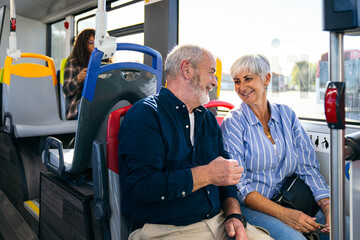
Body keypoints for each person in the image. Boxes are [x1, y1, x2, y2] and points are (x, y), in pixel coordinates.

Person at [118, 45, 273, 240]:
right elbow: (141, 186)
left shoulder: (207, 119)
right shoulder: (146, 115)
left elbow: (226, 182)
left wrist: (234, 215)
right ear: (186, 69)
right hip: (166, 229)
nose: (214, 82)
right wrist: (207, 174)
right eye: (211, 73)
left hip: (219, 223)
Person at [221, 54, 348, 240]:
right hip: (253, 207)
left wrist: (327, 206)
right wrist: (284, 215)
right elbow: (240, 187)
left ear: (266, 79)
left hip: (291, 199)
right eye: (237, 81)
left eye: (248, 79)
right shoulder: (233, 123)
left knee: (344, 226)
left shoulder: (287, 115)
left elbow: (308, 168)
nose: (241, 87)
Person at [63, 28, 95, 120]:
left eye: (97, 42)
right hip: (79, 105)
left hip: (99, 101)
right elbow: (66, 91)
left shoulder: (104, 64)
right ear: (83, 44)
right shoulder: (73, 63)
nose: (95, 46)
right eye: (90, 42)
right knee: (88, 105)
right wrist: (78, 79)